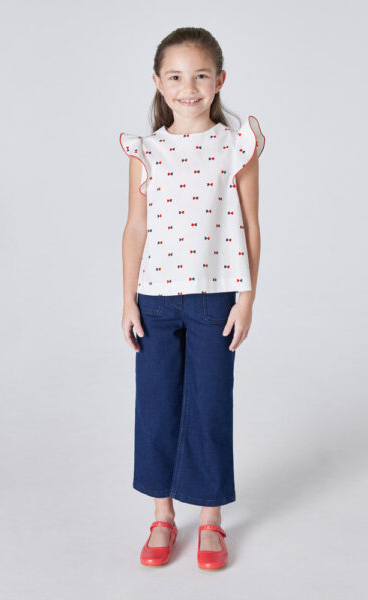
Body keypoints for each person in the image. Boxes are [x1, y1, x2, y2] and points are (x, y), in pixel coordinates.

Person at [119, 26, 265, 569]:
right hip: (155, 299)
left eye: (200, 76)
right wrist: (128, 300)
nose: (188, 88)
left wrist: (246, 299)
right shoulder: (146, 151)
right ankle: (162, 515)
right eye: (176, 77)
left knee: (209, 405)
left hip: (214, 298)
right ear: (158, 82)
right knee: (156, 405)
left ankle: (209, 519)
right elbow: (135, 228)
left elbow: (250, 226)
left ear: (219, 80)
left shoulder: (236, 147)